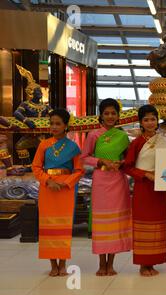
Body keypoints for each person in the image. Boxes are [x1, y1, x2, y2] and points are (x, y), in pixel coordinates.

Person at [81, 98, 132, 276]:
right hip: (101, 180)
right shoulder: (94, 135)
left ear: (118, 116)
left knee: (115, 224)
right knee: (102, 224)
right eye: (106, 113)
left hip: (118, 181)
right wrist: (100, 161)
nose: (110, 116)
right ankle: (101, 264)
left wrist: (122, 163)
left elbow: (129, 160)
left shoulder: (123, 136)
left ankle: (111, 264)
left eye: (113, 113)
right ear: (100, 116)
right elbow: (84, 157)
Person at [31, 109, 84, 276]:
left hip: (65, 190)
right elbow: (36, 167)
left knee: (64, 227)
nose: (54, 126)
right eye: (51, 123)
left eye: (58, 123)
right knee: (49, 227)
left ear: (65, 126)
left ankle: (63, 263)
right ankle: (52, 264)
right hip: (48, 188)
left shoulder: (73, 147)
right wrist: (48, 180)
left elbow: (79, 170)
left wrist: (66, 183)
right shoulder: (43, 144)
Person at [124, 105, 166, 277]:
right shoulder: (137, 143)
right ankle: (143, 264)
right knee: (143, 225)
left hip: (160, 188)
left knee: (158, 225)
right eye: (146, 119)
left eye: (153, 119)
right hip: (143, 188)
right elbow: (127, 167)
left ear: (157, 120)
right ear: (141, 122)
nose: (150, 122)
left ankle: (153, 262)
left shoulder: (164, 141)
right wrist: (145, 175)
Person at [14, 65, 52, 169]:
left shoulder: (46, 106)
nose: (40, 93)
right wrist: (26, 120)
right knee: (19, 146)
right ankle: (27, 165)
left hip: (43, 135)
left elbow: (54, 115)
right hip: (30, 134)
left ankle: (45, 166)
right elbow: (17, 113)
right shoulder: (25, 104)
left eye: (40, 91)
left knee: (47, 150)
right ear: (31, 92)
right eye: (38, 91)